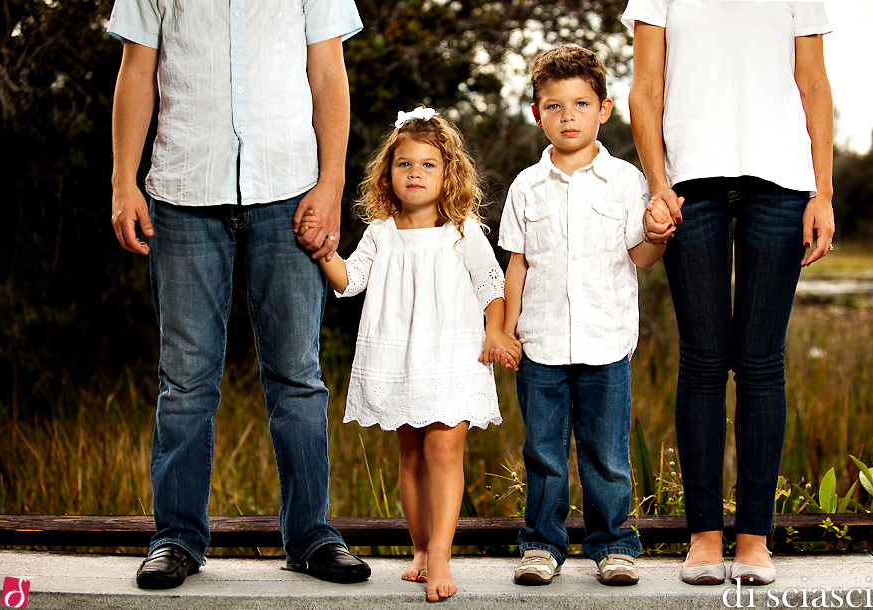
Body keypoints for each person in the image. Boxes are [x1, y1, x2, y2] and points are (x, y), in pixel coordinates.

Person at [107, 1, 371, 589]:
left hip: (290, 189)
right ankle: (176, 538)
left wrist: (331, 185)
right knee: (184, 378)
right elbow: (136, 69)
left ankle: (311, 537)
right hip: (181, 189)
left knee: (297, 373)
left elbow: (328, 72)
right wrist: (124, 181)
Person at [624, 0, 835, 587]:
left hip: (783, 183)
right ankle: (703, 538)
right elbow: (646, 88)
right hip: (690, 182)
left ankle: (754, 540)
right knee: (703, 360)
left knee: (762, 362)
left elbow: (814, 83)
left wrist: (823, 191)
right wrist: (658, 185)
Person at [300, 107, 521, 601]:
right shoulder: (380, 232)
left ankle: (442, 554)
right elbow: (350, 280)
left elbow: (493, 289)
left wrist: (495, 332)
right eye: (404, 164)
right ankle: (420, 548)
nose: (415, 174)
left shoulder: (464, 230)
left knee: (444, 451)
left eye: (428, 165)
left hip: (453, 354)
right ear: (388, 173)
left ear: (448, 174)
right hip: (399, 358)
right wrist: (323, 251)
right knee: (410, 454)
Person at [498, 45, 669, 588]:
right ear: (536, 114)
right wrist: (506, 329)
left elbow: (640, 256)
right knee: (544, 454)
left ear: (605, 109)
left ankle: (613, 543)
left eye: (579, 104)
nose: (566, 116)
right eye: (553, 106)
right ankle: (542, 546)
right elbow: (517, 265)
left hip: (606, 343)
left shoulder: (627, 182)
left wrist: (659, 237)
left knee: (607, 454)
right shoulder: (526, 186)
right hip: (541, 345)